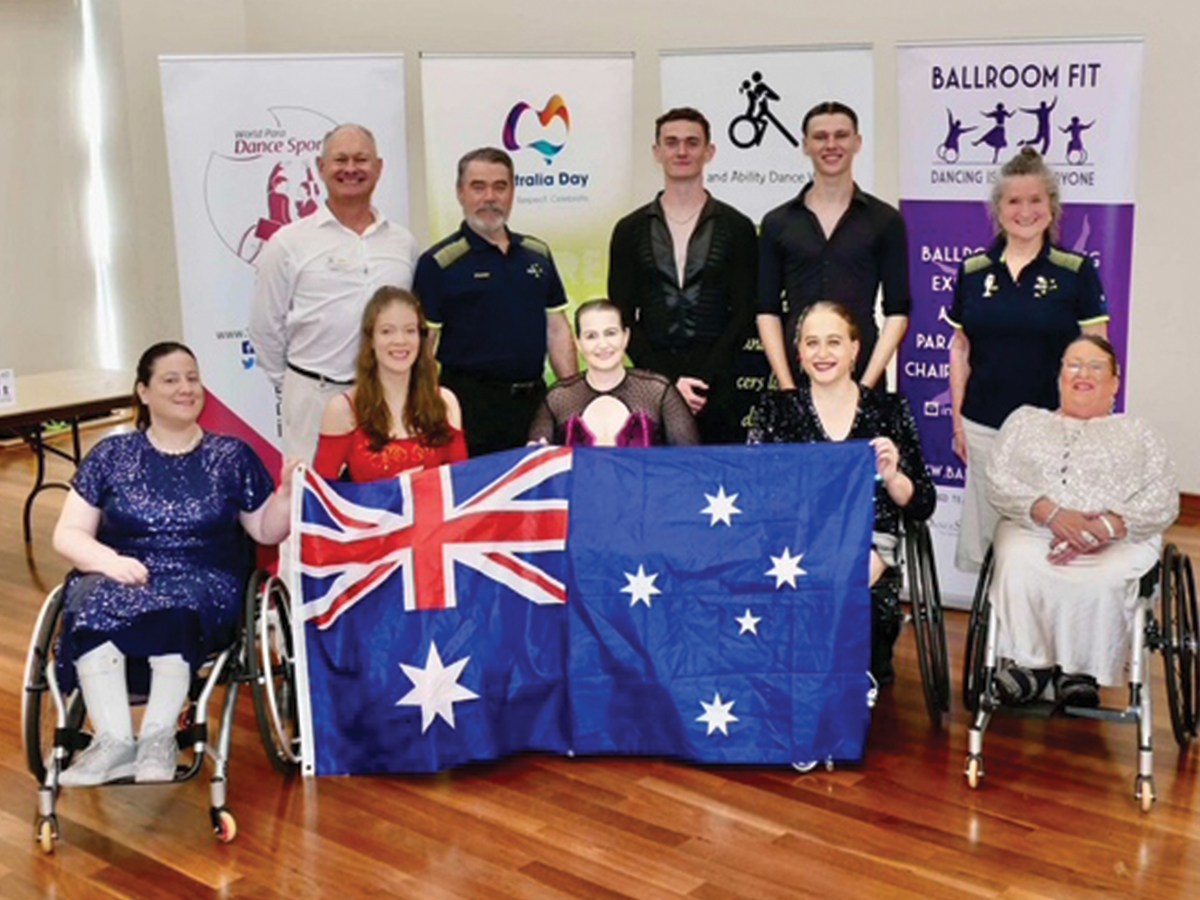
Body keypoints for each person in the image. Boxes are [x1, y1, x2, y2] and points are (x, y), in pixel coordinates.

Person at [51, 343, 295, 787]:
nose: (186, 388)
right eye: (171, 380)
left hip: (206, 576)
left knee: (180, 606)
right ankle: (113, 741)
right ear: (143, 391)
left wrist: (283, 500)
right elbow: (67, 534)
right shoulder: (111, 456)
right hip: (122, 569)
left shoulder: (230, 455)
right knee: (88, 603)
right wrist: (110, 561)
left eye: (192, 378)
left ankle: (159, 738)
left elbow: (264, 531)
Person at [747, 302, 936, 682]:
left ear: (855, 349)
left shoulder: (889, 410)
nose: (822, 353)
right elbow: (752, 496)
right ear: (798, 353)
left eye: (834, 342)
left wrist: (894, 475)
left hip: (868, 550)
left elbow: (922, 505)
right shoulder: (774, 411)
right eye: (811, 343)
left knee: (841, 591)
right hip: (795, 546)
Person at [984, 336, 1178, 707]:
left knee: (1107, 576)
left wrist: (1104, 528)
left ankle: (1081, 671)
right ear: (1059, 377)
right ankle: (1031, 663)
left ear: (1115, 382)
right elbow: (998, 479)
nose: (1082, 373)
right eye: (1073, 364)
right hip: (1035, 528)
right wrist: (1051, 514)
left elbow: (1163, 497)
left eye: (1095, 366)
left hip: (1119, 537)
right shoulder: (1025, 421)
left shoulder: (1138, 432)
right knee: (1018, 560)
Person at [948, 147, 1108, 571]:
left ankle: (1036, 630)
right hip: (983, 425)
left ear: (1051, 207)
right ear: (997, 209)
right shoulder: (973, 271)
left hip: (1053, 430)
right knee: (988, 542)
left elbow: (1097, 354)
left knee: (1042, 543)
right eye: (1013, 201)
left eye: (1035, 200)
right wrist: (957, 420)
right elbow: (960, 348)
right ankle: (994, 631)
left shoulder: (1075, 271)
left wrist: (1078, 423)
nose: (1024, 211)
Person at [250, 123, 419, 463]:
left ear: (379, 168)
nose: (351, 169)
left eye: (362, 159)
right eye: (340, 160)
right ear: (321, 167)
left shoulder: (403, 243)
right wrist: (293, 386)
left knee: (384, 504)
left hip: (389, 397)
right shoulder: (288, 243)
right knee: (313, 498)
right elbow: (265, 326)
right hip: (314, 397)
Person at [414, 147, 577, 457]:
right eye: (478, 187)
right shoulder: (439, 263)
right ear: (460, 193)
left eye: (500, 186)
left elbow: (556, 329)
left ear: (513, 192)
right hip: (468, 410)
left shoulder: (537, 254)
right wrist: (423, 410)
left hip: (534, 409)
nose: (490, 197)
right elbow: (424, 346)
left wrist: (573, 398)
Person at [608, 107, 757, 444]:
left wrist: (704, 380)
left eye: (692, 142)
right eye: (671, 143)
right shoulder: (629, 230)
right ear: (656, 152)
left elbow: (745, 312)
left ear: (709, 151)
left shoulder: (738, 228)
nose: (682, 151)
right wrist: (666, 382)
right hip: (650, 387)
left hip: (719, 387)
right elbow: (621, 314)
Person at [757, 101, 911, 391]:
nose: (831, 145)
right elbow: (767, 311)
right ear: (805, 145)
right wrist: (787, 388)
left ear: (857, 142)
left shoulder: (885, 220)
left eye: (841, 135)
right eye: (820, 137)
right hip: (796, 377)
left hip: (865, 373)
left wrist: (865, 386)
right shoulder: (777, 223)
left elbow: (897, 312)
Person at [314, 287, 466, 481]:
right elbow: (322, 495)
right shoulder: (343, 409)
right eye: (387, 331)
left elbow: (462, 485)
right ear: (371, 340)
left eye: (410, 331)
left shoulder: (446, 402)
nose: (400, 341)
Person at [528, 300, 699, 447]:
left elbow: (690, 461)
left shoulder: (659, 392)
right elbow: (535, 466)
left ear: (626, 337)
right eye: (591, 336)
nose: (602, 344)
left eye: (610, 333)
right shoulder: (557, 398)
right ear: (578, 343)